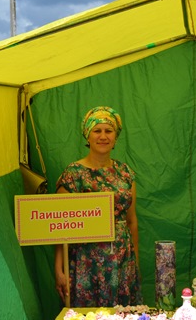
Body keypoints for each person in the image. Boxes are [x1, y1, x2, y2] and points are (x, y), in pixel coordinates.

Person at [54, 106, 142, 308]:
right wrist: (59, 269)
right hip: (86, 262)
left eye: (108, 131)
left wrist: (134, 264)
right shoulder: (73, 174)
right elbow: (59, 226)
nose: (103, 136)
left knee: (122, 319)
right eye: (97, 131)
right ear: (88, 135)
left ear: (115, 137)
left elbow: (131, 221)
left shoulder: (125, 173)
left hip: (122, 260)